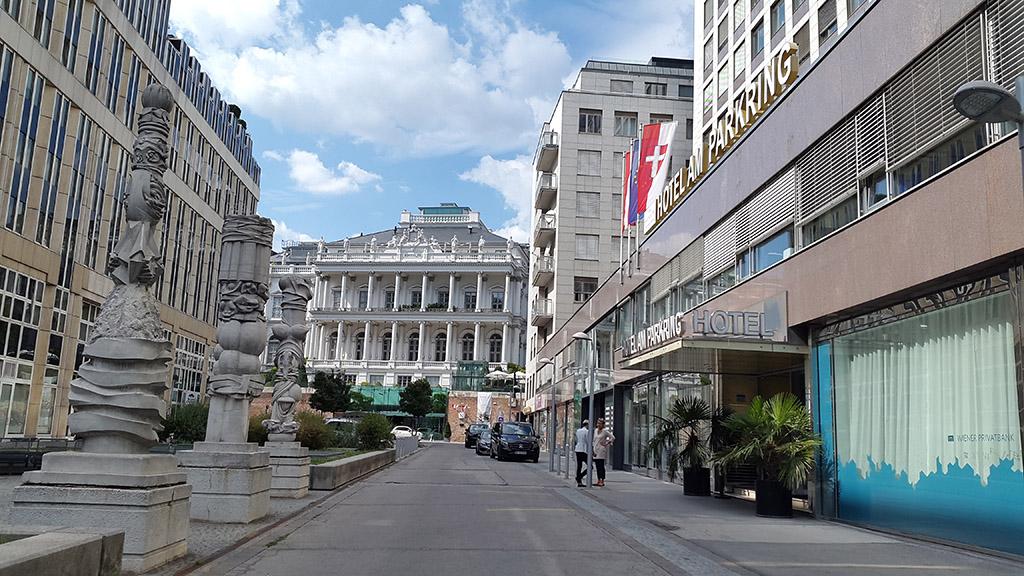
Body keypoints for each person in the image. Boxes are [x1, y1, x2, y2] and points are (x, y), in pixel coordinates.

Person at [593, 418, 615, 487]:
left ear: (603, 424)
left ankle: (602, 480)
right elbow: (594, 440)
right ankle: (598, 480)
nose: (598, 424)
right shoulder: (596, 430)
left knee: (601, 466)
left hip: (601, 450)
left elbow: (613, 437)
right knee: (597, 466)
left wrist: (607, 443)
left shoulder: (605, 431)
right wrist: (593, 449)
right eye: (598, 423)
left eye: (600, 423)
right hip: (595, 450)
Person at [574, 420, 591, 487]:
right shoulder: (586, 431)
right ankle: (579, 477)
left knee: (579, 466)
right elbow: (588, 441)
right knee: (590, 466)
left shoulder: (578, 431)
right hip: (583, 450)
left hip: (577, 449)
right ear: (587, 425)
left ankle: (579, 481)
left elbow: (577, 439)